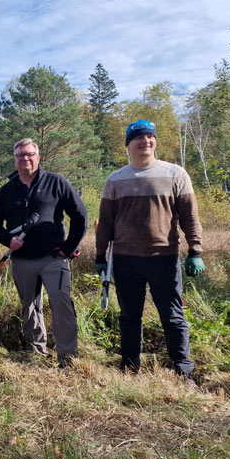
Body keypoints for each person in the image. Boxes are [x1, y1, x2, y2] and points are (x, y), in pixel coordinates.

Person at [95, 120, 203, 379]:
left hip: (163, 258)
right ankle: (130, 367)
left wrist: (195, 251)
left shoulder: (175, 174)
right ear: (128, 144)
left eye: (150, 136)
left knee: (172, 315)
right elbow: (106, 222)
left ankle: (183, 369)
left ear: (155, 141)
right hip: (125, 259)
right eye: (138, 137)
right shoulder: (115, 179)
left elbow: (190, 216)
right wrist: (100, 256)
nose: (145, 141)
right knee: (129, 315)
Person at [0, 138, 87, 368]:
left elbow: (80, 215)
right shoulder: (6, 191)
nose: (25, 158)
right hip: (22, 260)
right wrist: (8, 240)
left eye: (30, 154)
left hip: (54, 257)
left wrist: (68, 247)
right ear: (15, 160)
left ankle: (67, 357)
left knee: (61, 302)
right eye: (20, 155)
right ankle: (36, 352)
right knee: (29, 307)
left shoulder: (56, 182)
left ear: (38, 157)